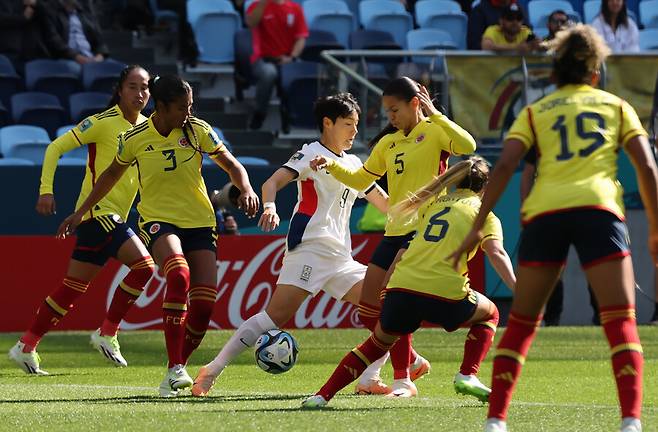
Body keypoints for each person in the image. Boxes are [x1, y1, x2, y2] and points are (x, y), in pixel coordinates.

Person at [450, 24, 656, 432]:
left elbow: (506, 165)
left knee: (524, 322)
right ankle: (631, 421)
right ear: (595, 72)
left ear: (554, 73)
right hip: (599, 209)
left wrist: (477, 225)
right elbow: (647, 166)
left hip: (546, 213)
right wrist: (654, 228)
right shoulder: (615, 106)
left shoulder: (535, 111)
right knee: (620, 320)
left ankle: (496, 421)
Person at [56, 74, 260, 397]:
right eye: (182, 108)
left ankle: (175, 368)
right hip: (158, 221)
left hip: (200, 223)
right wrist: (80, 212)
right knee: (178, 275)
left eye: (191, 106)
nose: (188, 114)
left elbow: (233, 166)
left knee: (205, 306)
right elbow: (109, 175)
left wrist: (246, 188)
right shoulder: (136, 137)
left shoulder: (198, 131)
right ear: (160, 108)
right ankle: (175, 369)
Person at [191, 92, 392, 397]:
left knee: (387, 308)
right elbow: (271, 183)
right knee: (273, 318)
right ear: (328, 123)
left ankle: (369, 378)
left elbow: (385, 204)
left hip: (341, 257)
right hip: (309, 250)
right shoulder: (310, 154)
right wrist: (270, 207)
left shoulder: (353, 163)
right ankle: (212, 370)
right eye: (348, 124)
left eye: (356, 124)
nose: (354, 131)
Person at [308, 77, 477, 397]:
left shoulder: (435, 131)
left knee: (392, 301)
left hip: (421, 230)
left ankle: (403, 379)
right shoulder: (389, 143)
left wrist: (436, 114)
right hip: (394, 230)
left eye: (395, 109)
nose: (391, 117)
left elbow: (468, 147)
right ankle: (408, 363)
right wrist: (330, 165)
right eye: (387, 111)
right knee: (368, 306)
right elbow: (361, 179)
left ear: (415, 103)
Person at [301, 157, 516, 407]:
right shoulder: (484, 214)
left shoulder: (432, 205)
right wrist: (516, 288)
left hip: (401, 287)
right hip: (445, 292)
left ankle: (321, 396)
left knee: (375, 344)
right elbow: (497, 253)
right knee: (490, 314)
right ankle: (467, 375)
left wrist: (386, 289)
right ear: (485, 187)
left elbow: (405, 251)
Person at [8, 65, 153, 375]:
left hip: (107, 220)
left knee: (72, 289)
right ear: (119, 90)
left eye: (145, 87)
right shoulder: (102, 123)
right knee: (144, 267)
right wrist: (46, 190)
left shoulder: (147, 129)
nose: (140, 93)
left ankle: (26, 346)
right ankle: (108, 332)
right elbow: (55, 147)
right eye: (132, 86)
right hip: (98, 214)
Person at [246, 0, 308, 132]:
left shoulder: (295, 8)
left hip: (287, 59)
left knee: (302, 73)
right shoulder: (257, 5)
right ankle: (259, 113)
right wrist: (262, 3)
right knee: (269, 73)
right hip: (263, 59)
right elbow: (251, 23)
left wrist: (292, 57)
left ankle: (294, 117)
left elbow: (301, 38)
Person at [43, 0, 108, 64]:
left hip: (91, 57)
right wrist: (77, 57)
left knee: (113, 68)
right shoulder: (50, 10)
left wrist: (99, 57)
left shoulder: (85, 12)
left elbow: (99, 41)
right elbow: (54, 41)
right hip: (67, 59)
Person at [0, 0, 50, 72]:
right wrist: (21, 18)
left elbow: (51, 12)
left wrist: (35, 3)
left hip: (31, 54)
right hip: (8, 51)